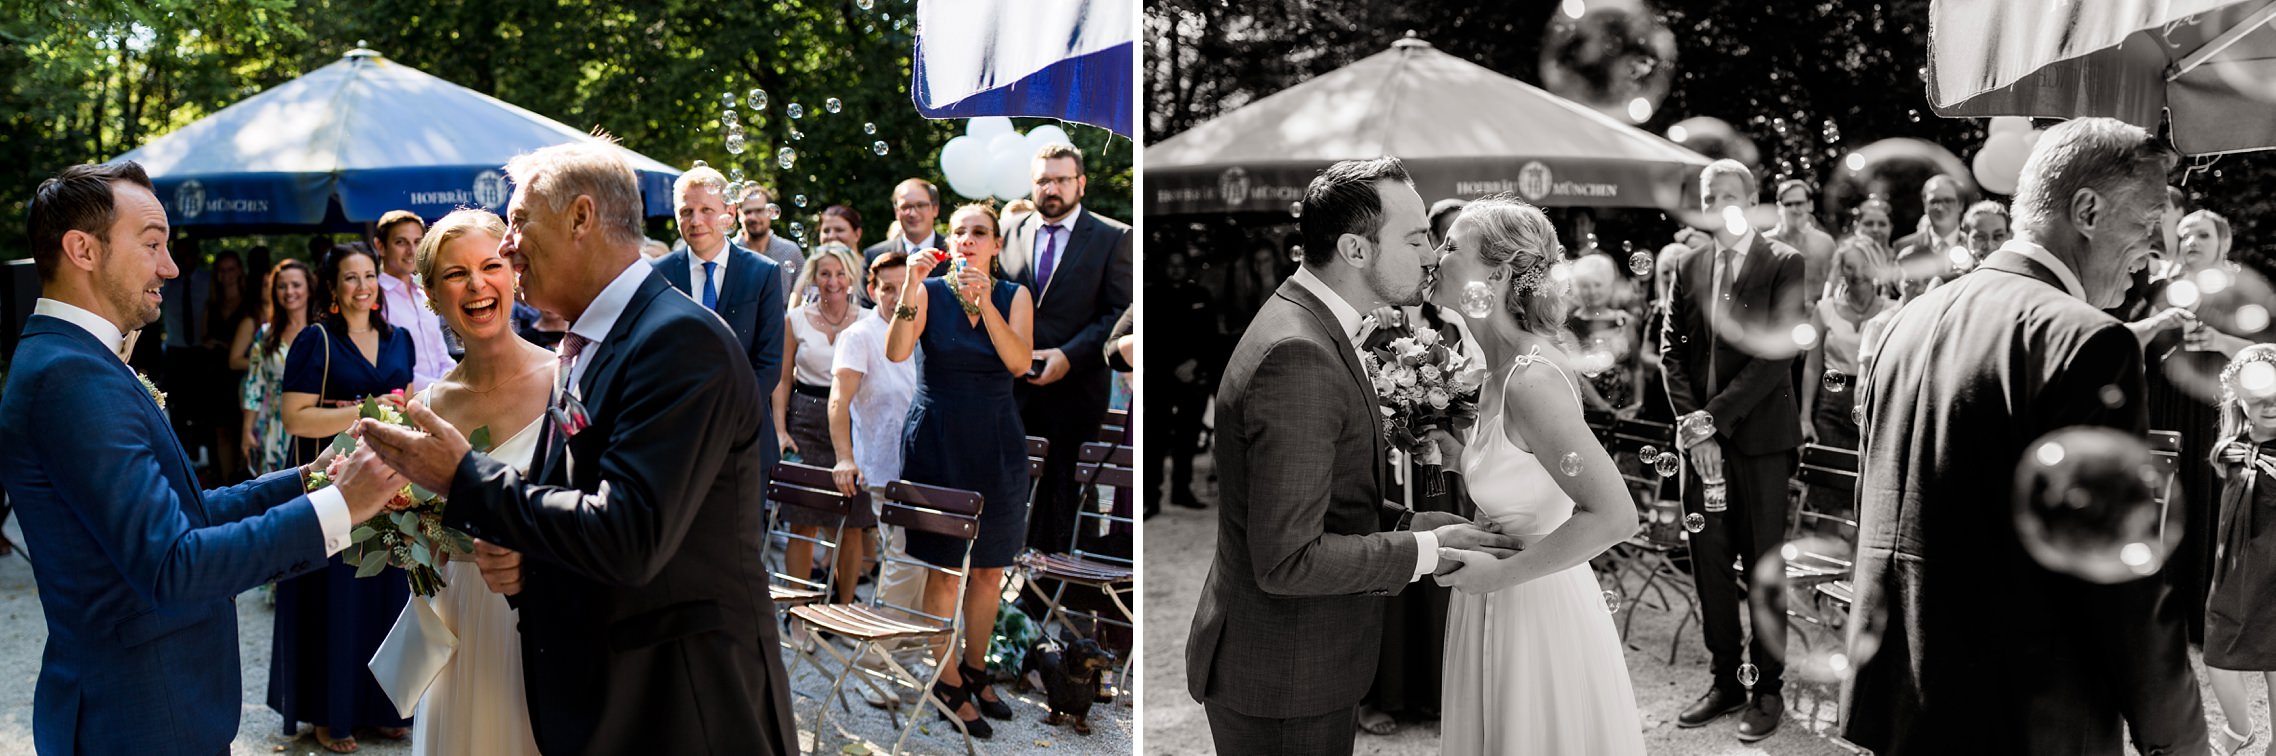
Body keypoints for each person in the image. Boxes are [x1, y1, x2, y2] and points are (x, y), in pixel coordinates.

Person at [357, 139, 799, 754]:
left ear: (581, 218)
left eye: (517, 224)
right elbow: (571, 500)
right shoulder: (592, 341)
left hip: (678, 705)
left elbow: (628, 533)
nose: (507, 248)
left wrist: (464, 478)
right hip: (609, 694)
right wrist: (524, 564)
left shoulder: (677, 342)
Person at [0, 160, 400, 756]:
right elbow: (173, 565)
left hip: (153, 706)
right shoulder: (70, 377)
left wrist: (311, 480)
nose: (172, 266)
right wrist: (344, 507)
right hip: (137, 718)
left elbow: (184, 511)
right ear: (83, 249)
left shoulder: (77, 359)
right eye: (153, 244)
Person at [1840, 116, 2205, 755]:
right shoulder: (2090, 340)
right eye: (2148, 225)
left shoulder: (1907, 321)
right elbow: (2119, 576)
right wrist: (2177, 741)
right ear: (2086, 210)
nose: (2156, 253)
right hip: (2023, 718)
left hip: (1897, 703)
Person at [1185, 156, 1516, 755]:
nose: (1432, 254)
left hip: (1296, 666)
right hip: (1285, 679)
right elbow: (1288, 559)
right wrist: (1428, 550)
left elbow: (1327, 499)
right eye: (1416, 237)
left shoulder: (1317, 323)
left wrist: (1412, 521)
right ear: (1356, 250)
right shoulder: (1300, 354)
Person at [1427, 194, 1647, 754]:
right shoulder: (1492, 371)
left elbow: (1616, 515)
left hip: (1534, 609)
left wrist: (1499, 576)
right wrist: (1460, 461)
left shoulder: (1531, 379)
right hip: (1497, 594)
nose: (1434, 254)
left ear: (1497, 274)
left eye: (1450, 245)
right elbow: (1530, 481)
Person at [1660, 158, 1807, 742]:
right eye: (1707, 193)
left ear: (1750, 200)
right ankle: (1725, 680)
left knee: (1763, 567)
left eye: (1729, 193)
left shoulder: (1784, 262)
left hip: (1761, 444)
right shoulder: (1690, 264)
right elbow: (1671, 351)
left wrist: (1710, 422)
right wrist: (1695, 432)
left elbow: (1778, 354)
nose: (1718, 201)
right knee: (1710, 566)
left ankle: (1767, 689)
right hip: (1700, 448)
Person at [399, 208, 551, 755]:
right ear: (432, 294)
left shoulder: (565, 383)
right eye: (455, 274)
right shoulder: (427, 408)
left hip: (539, 616)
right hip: (456, 614)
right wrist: (408, 539)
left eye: (491, 265)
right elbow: (416, 528)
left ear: (514, 272)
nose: (477, 284)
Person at [881, 202, 1036, 739]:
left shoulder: (1015, 296)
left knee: (991, 568)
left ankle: (975, 667)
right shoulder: (927, 292)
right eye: (961, 232)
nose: (968, 240)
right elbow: (898, 350)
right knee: (945, 568)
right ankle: (945, 679)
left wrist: (987, 304)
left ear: (996, 244)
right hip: (938, 441)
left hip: (996, 441)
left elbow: (1020, 364)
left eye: (980, 233)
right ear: (950, 240)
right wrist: (910, 286)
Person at [274, 242, 420, 752]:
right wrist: (368, 409)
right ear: (332, 288)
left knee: (383, 595)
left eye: (369, 276)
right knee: (332, 598)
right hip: (331, 483)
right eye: (350, 278)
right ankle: (328, 713)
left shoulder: (400, 338)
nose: (363, 287)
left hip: (388, 483)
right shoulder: (317, 341)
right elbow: (295, 417)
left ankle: (383, 708)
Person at [999, 142, 1136, 555]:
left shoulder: (1113, 237)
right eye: (1043, 180)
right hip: (1014, 387)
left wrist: (1067, 356)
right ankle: (1014, 584)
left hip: (1075, 387)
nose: (1051, 188)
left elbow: (1118, 312)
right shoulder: (1009, 235)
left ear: (1080, 183)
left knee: (1065, 494)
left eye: (1060, 179)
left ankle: (1058, 596)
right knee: (1011, 487)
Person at [826, 251, 927, 685]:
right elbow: (838, 401)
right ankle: (875, 663)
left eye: (906, 285)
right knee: (903, 558)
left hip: (931, 463)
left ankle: (908, 650)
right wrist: (845, 457)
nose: (896, 295)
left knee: (924, 561)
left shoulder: (925, 325)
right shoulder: (859, 334)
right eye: (888, 287)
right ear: (873, 290)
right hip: (886, 466)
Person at [654, 164, 788, 485]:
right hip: (675, 443)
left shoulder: (763, 273)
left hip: (743, 440)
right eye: (686, 211)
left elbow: (768, 363)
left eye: (706, 210)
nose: (696, 220)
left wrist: (725, 419)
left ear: (729, 213)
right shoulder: (657, 274)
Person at [775, 242, 873, 604]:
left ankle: (844, 608)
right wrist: (780, 428)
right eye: (824, 273)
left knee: (852, 524)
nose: (832, 281)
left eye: (839, 273)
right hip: (806, 418)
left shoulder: (867, 320)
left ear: (851, 277)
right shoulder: (796, 318)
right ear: (813, 277)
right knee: (804, 523)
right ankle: (797, 610)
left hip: (853, 422)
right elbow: (783, 379)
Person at [2205, 345, 2276, 755]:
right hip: (2234, 569)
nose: (2270, 405)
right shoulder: (2230, 450)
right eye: (2259, 396)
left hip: (2275, 573)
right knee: (2217, 652)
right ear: (2240, 400)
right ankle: (2239, 727)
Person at [1799, 237, 1894, 452]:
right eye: (1849, 267)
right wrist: (1805, 417)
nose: (1858, 274)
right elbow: (1812, 368)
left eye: (1864, 266)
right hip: (1831, 407)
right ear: (1841, 269)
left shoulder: (1894, 310)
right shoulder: (1824, 309)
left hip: (1876, 404)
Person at [237, 259, 316, 475]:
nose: (289, 291)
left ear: (309, 288)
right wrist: (246, 430)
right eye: (282, 286)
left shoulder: (323, 333)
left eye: (296, 285)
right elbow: (255, 385)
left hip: (314, 420)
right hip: (273, 424)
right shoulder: (266, 334)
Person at [372, 210, 457, 391]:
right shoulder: (373, 296)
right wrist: (439, 388)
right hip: (404, 401)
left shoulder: (424, 293)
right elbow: (383, 362)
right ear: (380, 246)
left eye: (418, 242)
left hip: (441, 395)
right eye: (400, 242)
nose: (411, 251)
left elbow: (441, 354)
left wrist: (453, 381)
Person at [1566, 252, 1645, 418]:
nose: (1592, 291)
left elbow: (1636, 366)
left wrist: (1638, 403)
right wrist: (1605, 409)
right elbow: (1576, 374)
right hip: (1590, 413)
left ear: (1609, 286)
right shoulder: (1570, 324)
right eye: (1585, 285)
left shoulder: (1624, 321)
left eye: (1598, 284)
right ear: (1576, 288)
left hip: (1627, 411)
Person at [204, 249, 256, 481]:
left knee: (244, 428)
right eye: (222, 270)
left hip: (244, 374)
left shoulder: (250, 304)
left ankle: (248, 478)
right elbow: (203, 336)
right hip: (217, 374)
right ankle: (227, 482)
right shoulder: (212, 305)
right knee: (222, 431)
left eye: (231, 269)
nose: (227, 275)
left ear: (239, 272)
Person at [1765, 179, 1838, 306]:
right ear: (1779, 207)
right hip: (1775, 319)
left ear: (1810, 205)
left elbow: (1835, 285)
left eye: (1799, 203)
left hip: (1816, 317)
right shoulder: (1765, 243)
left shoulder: (1825, 243)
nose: (1794, 209)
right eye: (1788, 204)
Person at [735, 184, 804, 298]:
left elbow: (804, 292)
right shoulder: (728, 250)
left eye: (759, 210)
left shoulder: (791, 251)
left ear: (771, 212)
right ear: (739, 215)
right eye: (748, 212)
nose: (753, 217)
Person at [865, 177, 946, 267]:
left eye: (920, 205)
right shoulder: (874, 256)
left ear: (935, 209)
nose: (913, 213)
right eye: (906, 207)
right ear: (896, 212)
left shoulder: (954, 252)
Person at [1893, 174, 1966, 266]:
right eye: (1934, 201)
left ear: (1961, 205)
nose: (1940, 208)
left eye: (1947, 201)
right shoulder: (1903, 247)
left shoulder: (1973, 244)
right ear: (1925, 206)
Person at [1958, 200, 2011, 273]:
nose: (1990, 246)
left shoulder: (2022, 281)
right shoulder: (1950, 283)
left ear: (2009, 238)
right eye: (1980, 237)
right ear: (1965, 240)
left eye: (1998, 236)